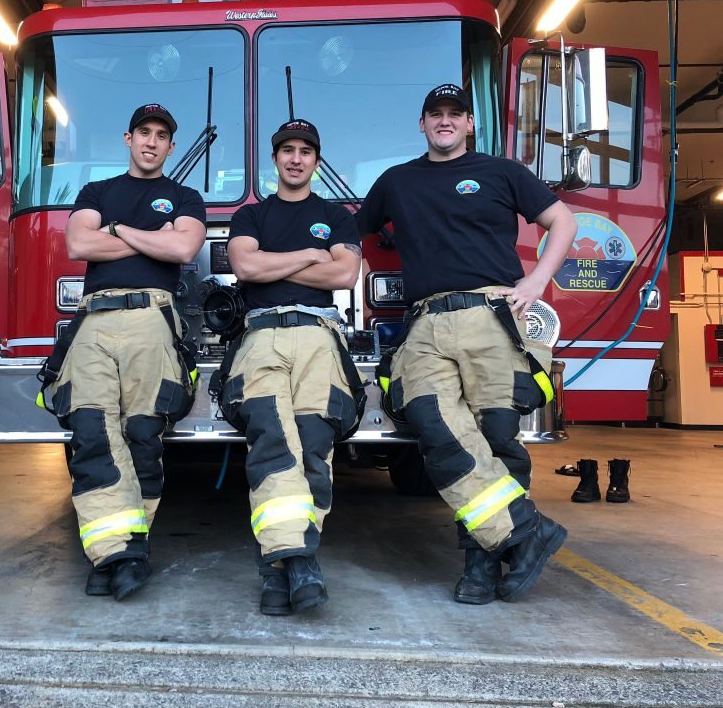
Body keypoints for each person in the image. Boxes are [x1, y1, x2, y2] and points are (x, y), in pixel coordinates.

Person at [356, 84, 578, 604]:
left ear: (470, 124)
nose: (445, 121)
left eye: (455, 114)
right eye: (436, 114)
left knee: (497, 437)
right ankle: (523, 531)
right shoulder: (396, 182)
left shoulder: (501, 172)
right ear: (422, 124)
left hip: (491, 316)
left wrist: (536, 282)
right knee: (433, 427)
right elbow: (347, 232)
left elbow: (562, 221)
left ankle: (483, 565)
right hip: (427, 322)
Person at [49, 104, 207, 600]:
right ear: (128, 138)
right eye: (144, 132)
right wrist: (146, 240)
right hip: (94, 322)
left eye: (162, 135)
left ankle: (121, 548)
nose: (152, 141)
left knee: (142, 434)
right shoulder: (98, 192)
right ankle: (117, 553)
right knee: (92, 433)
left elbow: (183, 251)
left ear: (170, 146)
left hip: (153, 322)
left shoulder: (184, 196)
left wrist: (114, 232)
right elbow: (78, 243)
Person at [221, 119, 363, 616]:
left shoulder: (338, 215)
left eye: (305, 151)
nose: (296, 158)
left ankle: (279, 571)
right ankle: (299, 562)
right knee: (272, 439)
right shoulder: (250, 215)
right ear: (275, 159)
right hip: (260, 335)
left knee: (314, 444)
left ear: (316, 160)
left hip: (319, 335)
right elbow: (246, 268)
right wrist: (307, 254)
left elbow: (345, 273)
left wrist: (273, 261)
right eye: (287, 150)